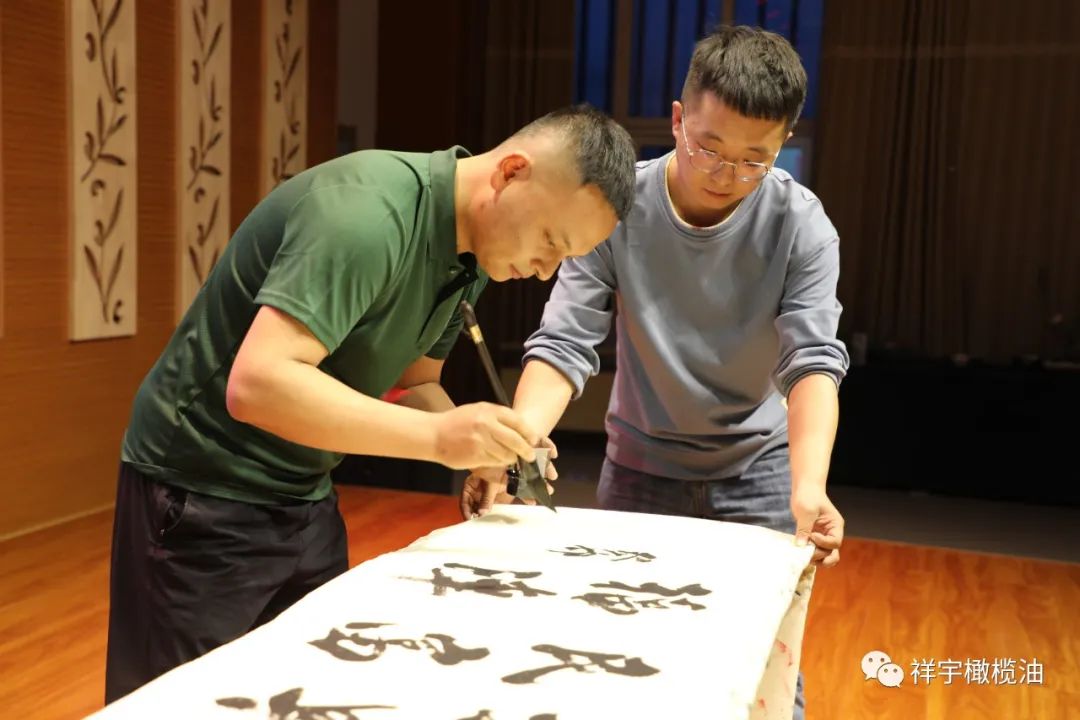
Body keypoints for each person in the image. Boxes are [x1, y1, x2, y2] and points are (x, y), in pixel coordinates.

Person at [105, 104, 637, 703]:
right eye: (550, 242)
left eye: (563, 259)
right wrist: (440, 440)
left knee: (306, 692)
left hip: (306, 489)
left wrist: (484, 447)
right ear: (511, 172)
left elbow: (413, 380)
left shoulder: (474, 253)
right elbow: (257, 384)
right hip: (201, 490)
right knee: (178, 704)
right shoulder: (367, 214)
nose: (544, 273)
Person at [461, 26, 850, 719]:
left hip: (758, 476)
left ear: (784, 142)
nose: (725, 174)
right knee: (624, 668)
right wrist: (517, 448)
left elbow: (813, 362)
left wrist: (809, 486)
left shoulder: (802, 225)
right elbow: (566, 340)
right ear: (676, 120)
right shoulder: (620, 208)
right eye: (708, 147)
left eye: (754, 160)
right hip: (639, 469)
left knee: (763, 674)